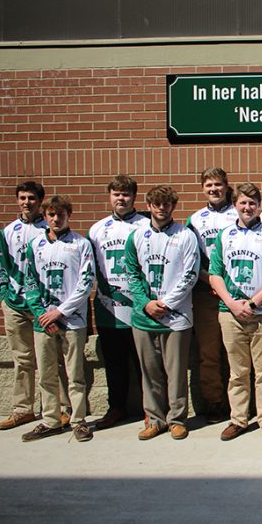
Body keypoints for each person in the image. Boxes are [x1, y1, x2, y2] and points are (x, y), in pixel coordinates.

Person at [209, 183, 262, 441]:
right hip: (230, 313)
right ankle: (239, 419)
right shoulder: (224, 235)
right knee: (238, 371)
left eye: (252, 203)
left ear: (259, 206)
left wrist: (253, 303)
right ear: (235, 205)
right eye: (243, 202)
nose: (247, 207)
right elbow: (214, 275)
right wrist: (233, 304)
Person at [125, 185, 200, 441]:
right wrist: (146, 303)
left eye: (166, 204)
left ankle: (177, 419)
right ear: (148, 206)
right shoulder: (136, 236)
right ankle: (155, 419)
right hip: (144, 316)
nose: (161, 208)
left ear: (173, 207)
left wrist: (166, 303)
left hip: (176, 317)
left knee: (176, 371)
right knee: (150, 372)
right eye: (156, 203)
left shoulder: (186, 236)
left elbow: (190, 275)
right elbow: (132, 274)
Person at [21, 196, 96, 442]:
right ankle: (51, 420)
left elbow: (85, 283)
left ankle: (78, 420)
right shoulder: (35, 246)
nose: (56, 219)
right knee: (46, 373)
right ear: (45, 216)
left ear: (68, 216)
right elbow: (29, 282)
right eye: (51, 215)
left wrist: (60, 311)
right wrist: (43, 313)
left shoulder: (81, 244)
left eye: (60, 214)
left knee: (75, 374)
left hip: (72, 319)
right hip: (43, 321)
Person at [87, 175, 150, 430]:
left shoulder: (145, 225)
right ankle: (117, 408)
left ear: (134, 197)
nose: (121, 198)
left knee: (145, 363)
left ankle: (151, 409)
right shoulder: (97, 229)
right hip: (108, 307)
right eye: (116, 194)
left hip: (139, 308)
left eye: (125, 194)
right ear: (110, 197)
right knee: (114, 363)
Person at [0, 181, 49, 430]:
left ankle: (57, 408)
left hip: (43, 305)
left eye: (31, 198)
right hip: (15, 303)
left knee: (50, 359)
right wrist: (4, 294)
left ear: (40, 201)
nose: (26, 202)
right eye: (22, 198)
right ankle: (22, 409)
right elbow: (3, 266)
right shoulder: (8, 231)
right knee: (22, 359)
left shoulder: (49, 228)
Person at [186, 168, 237, 423]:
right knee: (209, 353)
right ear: (203, 188)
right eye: (209, 185)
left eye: (218, 184)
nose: (214, 189)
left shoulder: (238, 212)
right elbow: (190, 259)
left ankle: (242, 403)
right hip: (206, 293)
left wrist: (228, 286)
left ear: (227, 186)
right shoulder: (195, 220)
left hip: (237, 292)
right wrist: (213, 282)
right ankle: (216, 403)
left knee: (238, 352)